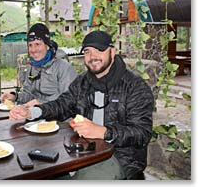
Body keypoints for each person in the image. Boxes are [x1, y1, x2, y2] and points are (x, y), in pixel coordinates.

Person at [9, 30, 154, 180]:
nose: (92, 57)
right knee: (40, 171)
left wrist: (103, 132)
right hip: (83, 150)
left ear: (113, 51)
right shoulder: (83, 82)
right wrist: (31, 112)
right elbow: (62, 105)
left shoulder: (135, 86)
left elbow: (142, 133)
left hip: (121, 157)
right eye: (87, 52)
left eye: (99, 50)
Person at [1, 23, 77, 106]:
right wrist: (15, 97)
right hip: (35, 114)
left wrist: (40, 102)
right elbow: (28, 94)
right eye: (30, 45)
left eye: (37, 44)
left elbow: (69, 100)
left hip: (60, 118)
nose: (33, 50)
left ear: (47, 46)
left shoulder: (64, 68)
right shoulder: (32, 66)